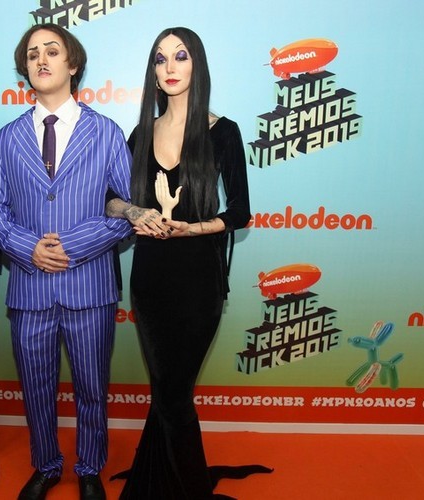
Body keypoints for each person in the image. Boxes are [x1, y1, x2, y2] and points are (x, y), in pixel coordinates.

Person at [107, 27, 271, 499]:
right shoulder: (141, 133)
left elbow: (240, 212)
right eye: (160, 59)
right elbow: (110, 200)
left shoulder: (224, 132)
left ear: (197, 64)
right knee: (166, 391)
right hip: (150, 281)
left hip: (199, 281)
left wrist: (192, 228)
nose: (170, 67)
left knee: (173, 395)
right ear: (153, 73)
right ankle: (156, 480)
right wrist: (134, 212)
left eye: (180, 56)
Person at [0, 23, 132, 500]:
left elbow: (129, 209)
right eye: (32, 54)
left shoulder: (106, 132)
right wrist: (27, 247)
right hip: (29, 288)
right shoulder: (7, 138)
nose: (41, 60)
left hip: (90, 287)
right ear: (24, 69)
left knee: (92, 387)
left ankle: (89, 468)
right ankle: (45, 465)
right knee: (36, 388)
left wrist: (74, 243)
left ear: (73, 63)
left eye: (51, 51)